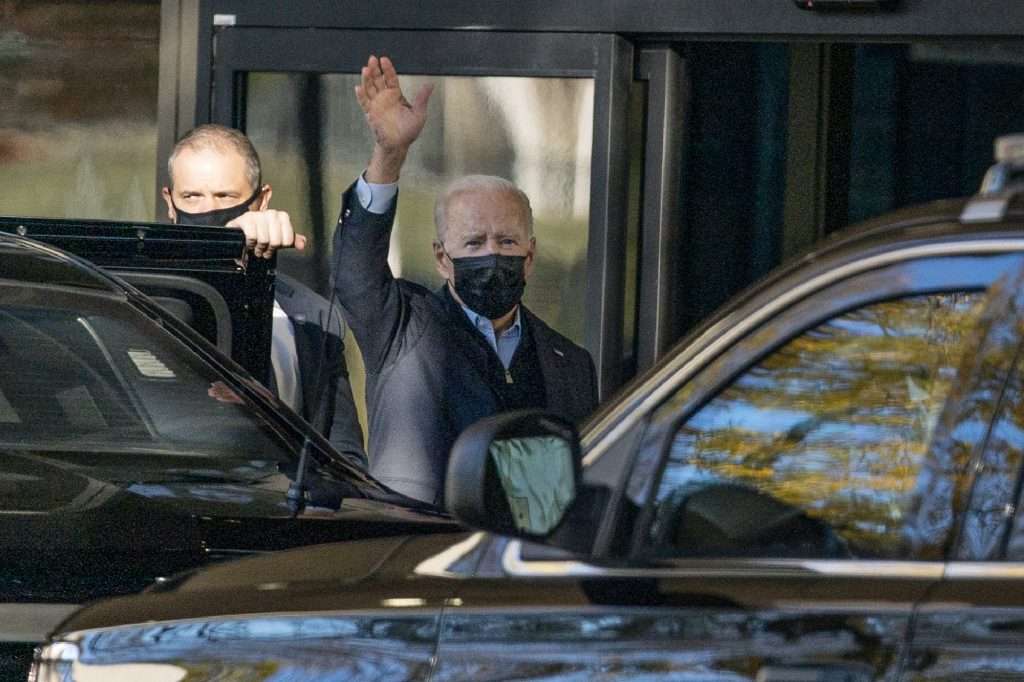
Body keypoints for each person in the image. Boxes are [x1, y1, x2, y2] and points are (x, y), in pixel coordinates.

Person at [332, 55, 597, 506]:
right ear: (441, 257)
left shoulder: (569, 363)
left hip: (520, 563)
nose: (492, 254)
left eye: (507, 241)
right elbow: (355, 271)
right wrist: (390, 156)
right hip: (419, 554)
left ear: (530, 256)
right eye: (473, 243)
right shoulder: (403, 329)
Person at [163, 124, 365, 465]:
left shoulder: (313, 317)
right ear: (170, 203)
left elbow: (344, 457)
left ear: (261, 202)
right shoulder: (142, 298)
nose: (209, 211)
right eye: (192, 197)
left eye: (226, 197)